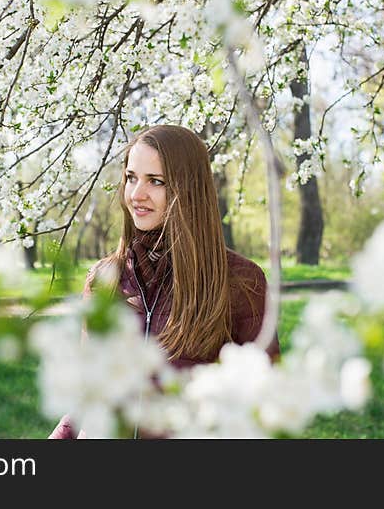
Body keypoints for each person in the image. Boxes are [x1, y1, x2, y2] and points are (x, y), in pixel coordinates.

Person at [49, 124, 281, 438]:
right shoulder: (105, 281)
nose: (136, 194)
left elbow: (266, 408)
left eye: (155, 181)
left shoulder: (240, 282)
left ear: (188, 189)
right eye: (131, 178)